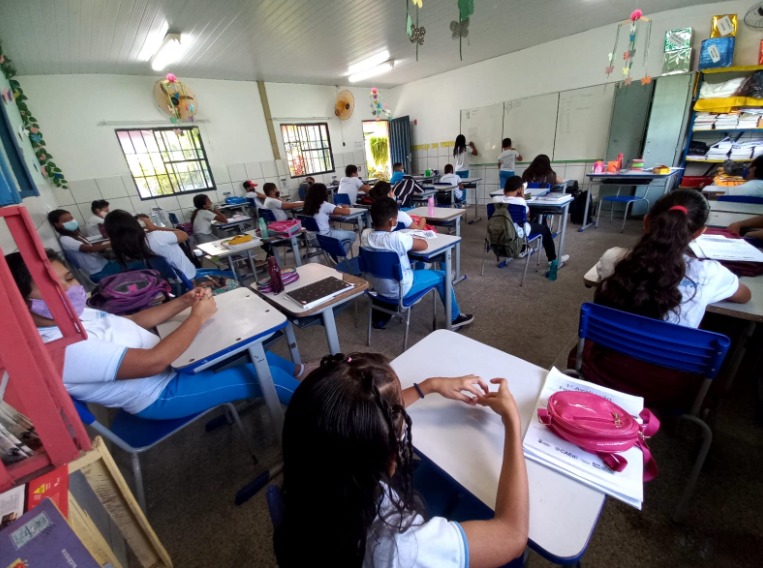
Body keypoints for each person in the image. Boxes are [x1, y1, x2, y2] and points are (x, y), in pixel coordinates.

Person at [279, 352, 528, 567]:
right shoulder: (401, 547)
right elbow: (513, 536)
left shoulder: (308, 473)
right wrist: (512, 422)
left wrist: (430, 385)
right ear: (389, 459)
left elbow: (360, 414)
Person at [6, 250, 305, 420]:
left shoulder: (69, 314)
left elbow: (133, 320)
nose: (69, 290)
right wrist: (198, 317)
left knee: (260, 358)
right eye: (50, 288)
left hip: (173, 368)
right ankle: (326, 417)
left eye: (69, 278)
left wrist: (184, 301)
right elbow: (153, 362)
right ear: (20, 304)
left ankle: (304, 375)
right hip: (161, 394)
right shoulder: (58, 349)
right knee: (265, 375)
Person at [580, 189, 752, 406]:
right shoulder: (709, 273)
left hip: (601, 366)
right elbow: (745, 296)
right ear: (699, 233)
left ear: (646, 222)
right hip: (666, 386)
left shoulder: (614, 257)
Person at [361, 197, 474, 330]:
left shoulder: (364, 235)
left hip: (377, 289)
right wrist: (411, 237)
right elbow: (423, 245)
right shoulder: (397, 238)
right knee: (444, 276)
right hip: (400, 289)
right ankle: (454, 318)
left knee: (407, 266)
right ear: (392, 221)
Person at [493, 176, 569, 268]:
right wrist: (522, 198)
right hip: (518, 233)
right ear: (520, 190)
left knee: (530, 222)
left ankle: (522, 250)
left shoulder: (495, 199)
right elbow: (527, 215)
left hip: (501, 233)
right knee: (545, 229)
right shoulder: (520, 201)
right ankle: (552, 260)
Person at [106, 210, 197, 281]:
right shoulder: (156, 237)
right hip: (188, 276)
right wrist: (154, 228)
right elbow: (184, 235)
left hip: (169, 281)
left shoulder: (128, 247)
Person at [47, 209, 120, 282]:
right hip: (98, 272)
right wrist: (113, 243)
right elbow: (88, 249)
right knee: (130, 267)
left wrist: (106, 243)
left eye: (71, 218)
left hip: (104, 264)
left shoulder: (75, 234)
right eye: (65, 221)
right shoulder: (65, 239)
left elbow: (90, 245)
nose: (71, 221)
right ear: (57, 224)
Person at [302, 182, 356, 251]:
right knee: (352, 235)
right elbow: (346, 212)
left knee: (339, 230)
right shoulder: (324, 204)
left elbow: (320, 215)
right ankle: (340, 258)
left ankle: (334, 253)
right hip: (324, 238)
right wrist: (345, 207)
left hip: (311, 238)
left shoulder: (307, 205)